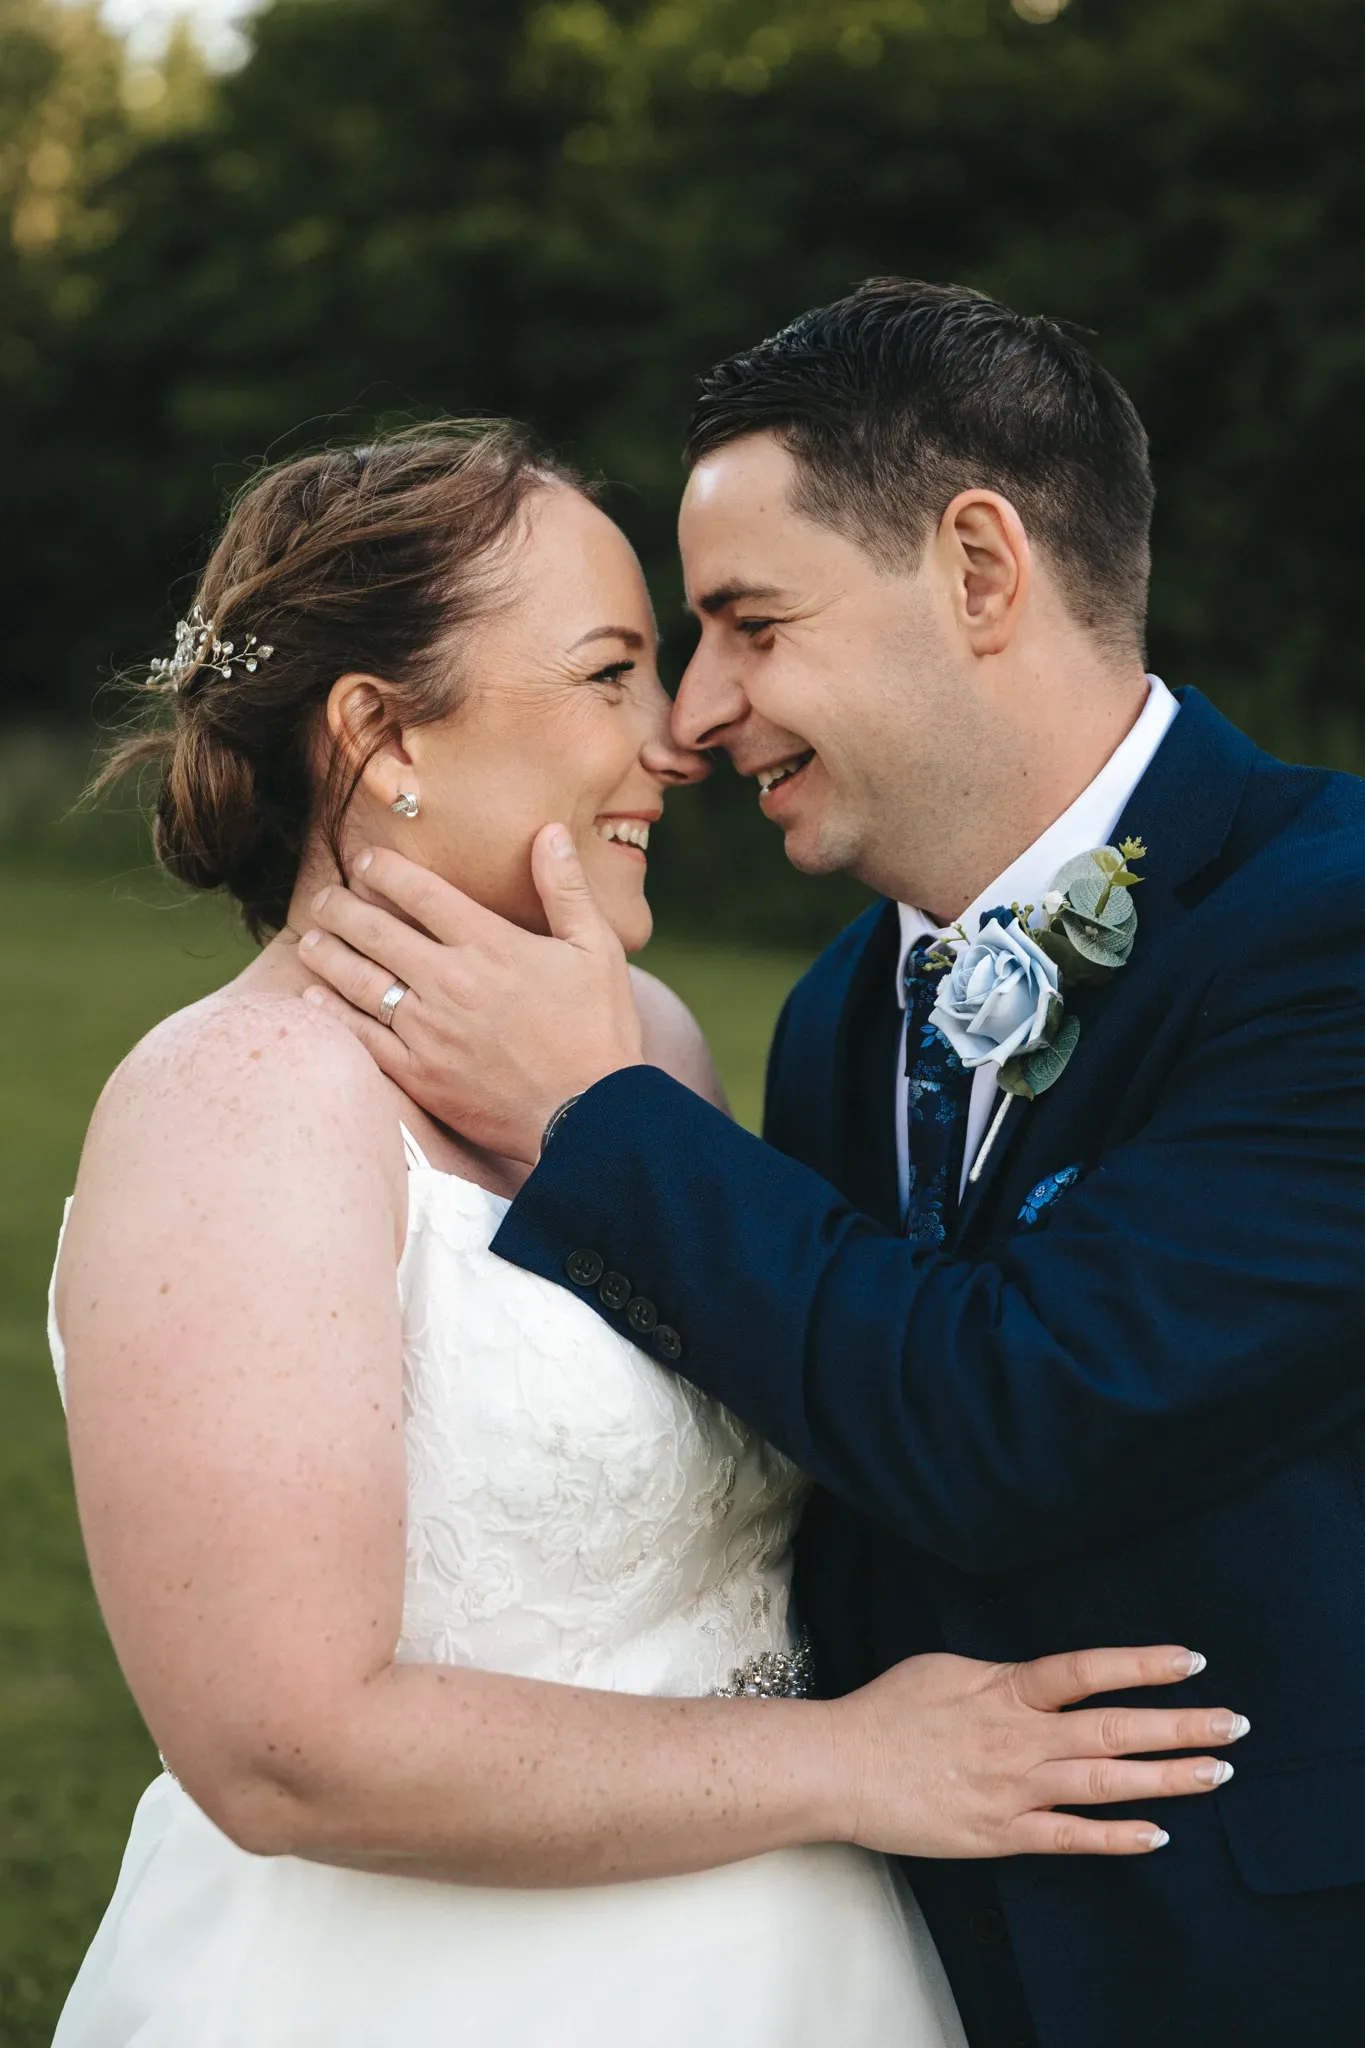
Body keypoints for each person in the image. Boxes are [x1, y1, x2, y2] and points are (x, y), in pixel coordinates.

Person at [48, 421, 1235, 2048]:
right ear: (381, 734)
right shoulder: (240, 1101)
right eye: (611, 673)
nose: (678, 733)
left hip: (808, 1971)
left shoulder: (651, 1044)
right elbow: (282, 1745)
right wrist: (864, 1762)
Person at [299, 285, 1365, 2048]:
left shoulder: (1326, 931)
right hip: (890, 1953)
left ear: (978, 569)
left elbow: (1027, 1416)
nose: (699, 718)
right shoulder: (837, 1012)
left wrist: (596, 1117)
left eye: (749, 624)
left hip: (1262, 1961)